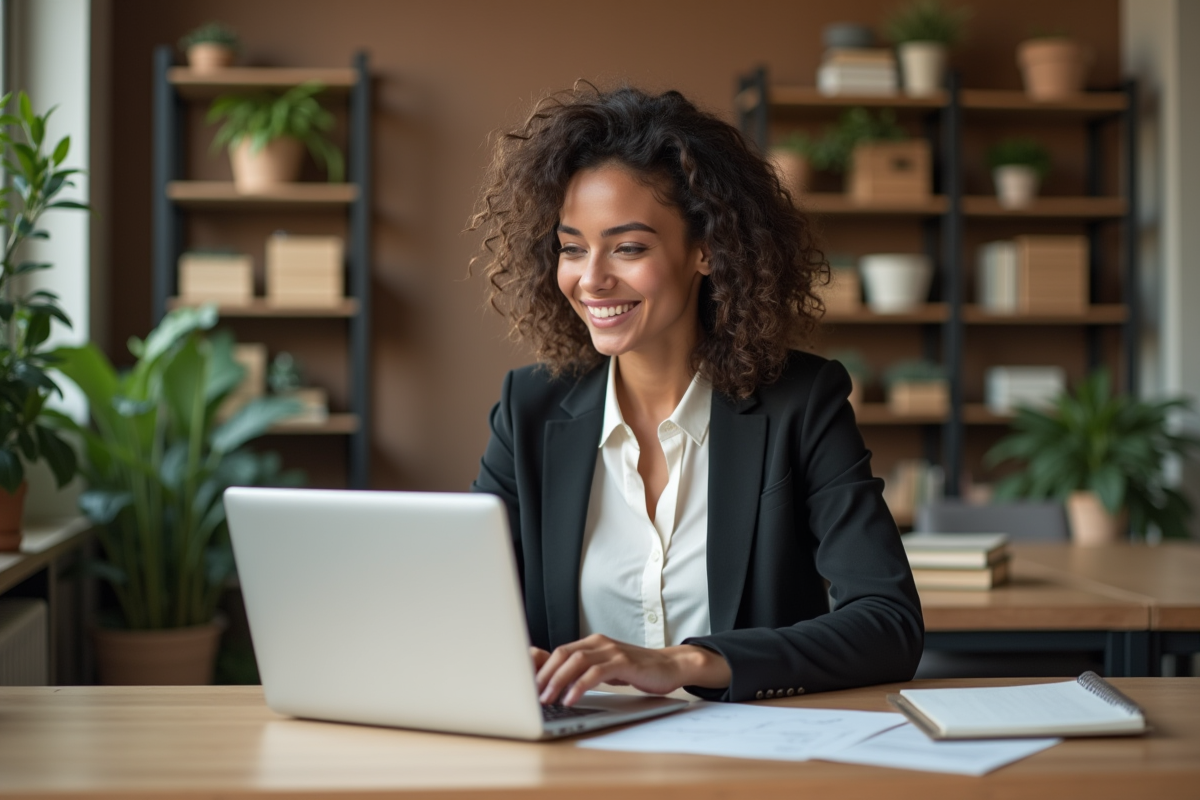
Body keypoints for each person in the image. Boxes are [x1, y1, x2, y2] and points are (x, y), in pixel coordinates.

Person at [468, 84, 923, 705]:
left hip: (746, 748)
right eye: (572, 248)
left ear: (706, 249)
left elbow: (889, 624)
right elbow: (465, 603)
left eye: (628, 248)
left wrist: (684, 663)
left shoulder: (801, 404)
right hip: (576, 750)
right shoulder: (528, 409)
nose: (591, 278)